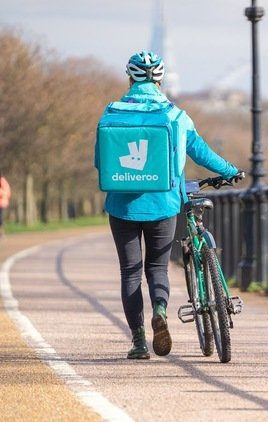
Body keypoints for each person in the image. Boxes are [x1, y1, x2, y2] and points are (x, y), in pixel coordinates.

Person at [95, 51, 243, 360]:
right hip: (163, 202)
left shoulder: (111, 114)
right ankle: (160, 309)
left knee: (130, 272)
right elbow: (201, 152)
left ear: (130, 77)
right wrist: (229, 171)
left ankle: (138, 342)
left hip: (122, 204)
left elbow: (100, 162)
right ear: (160, 79)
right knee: (157, 267)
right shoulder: (176, 116)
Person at [0, 169, 10, 237]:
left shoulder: (3, 181)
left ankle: (2, 232)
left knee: (0, 219)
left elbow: (7, 192)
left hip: (2, 204)